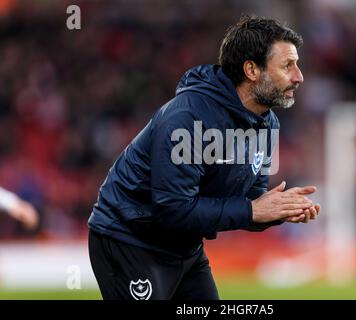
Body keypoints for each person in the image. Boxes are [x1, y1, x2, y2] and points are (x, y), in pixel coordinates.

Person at [88, 15, 321, 300]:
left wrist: (280, 210)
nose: (299, 76)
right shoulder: (187, 118)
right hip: (130, 240)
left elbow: (250, 203)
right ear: (251, 70)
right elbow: (173, 209)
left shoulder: (266, 123)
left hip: (185, 245)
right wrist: (253, 210)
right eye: (287, 66)